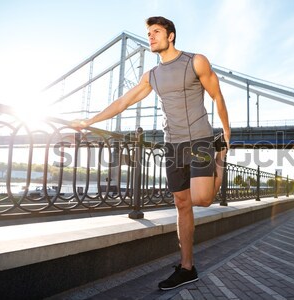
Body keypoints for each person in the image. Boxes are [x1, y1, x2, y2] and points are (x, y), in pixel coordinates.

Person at [72, 16, 230, 290]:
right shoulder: (152, 76)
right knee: (182, 205)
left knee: (203, 199)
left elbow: (217, 96)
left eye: (156, 32)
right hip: (173, 145)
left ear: (171, 36)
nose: (151, 37)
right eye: (148, 33)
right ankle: (187, 267)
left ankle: (220, 159)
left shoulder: (196, 61)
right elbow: (123, 101)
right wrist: (89, 122)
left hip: (202, 140)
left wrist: (227, 134)